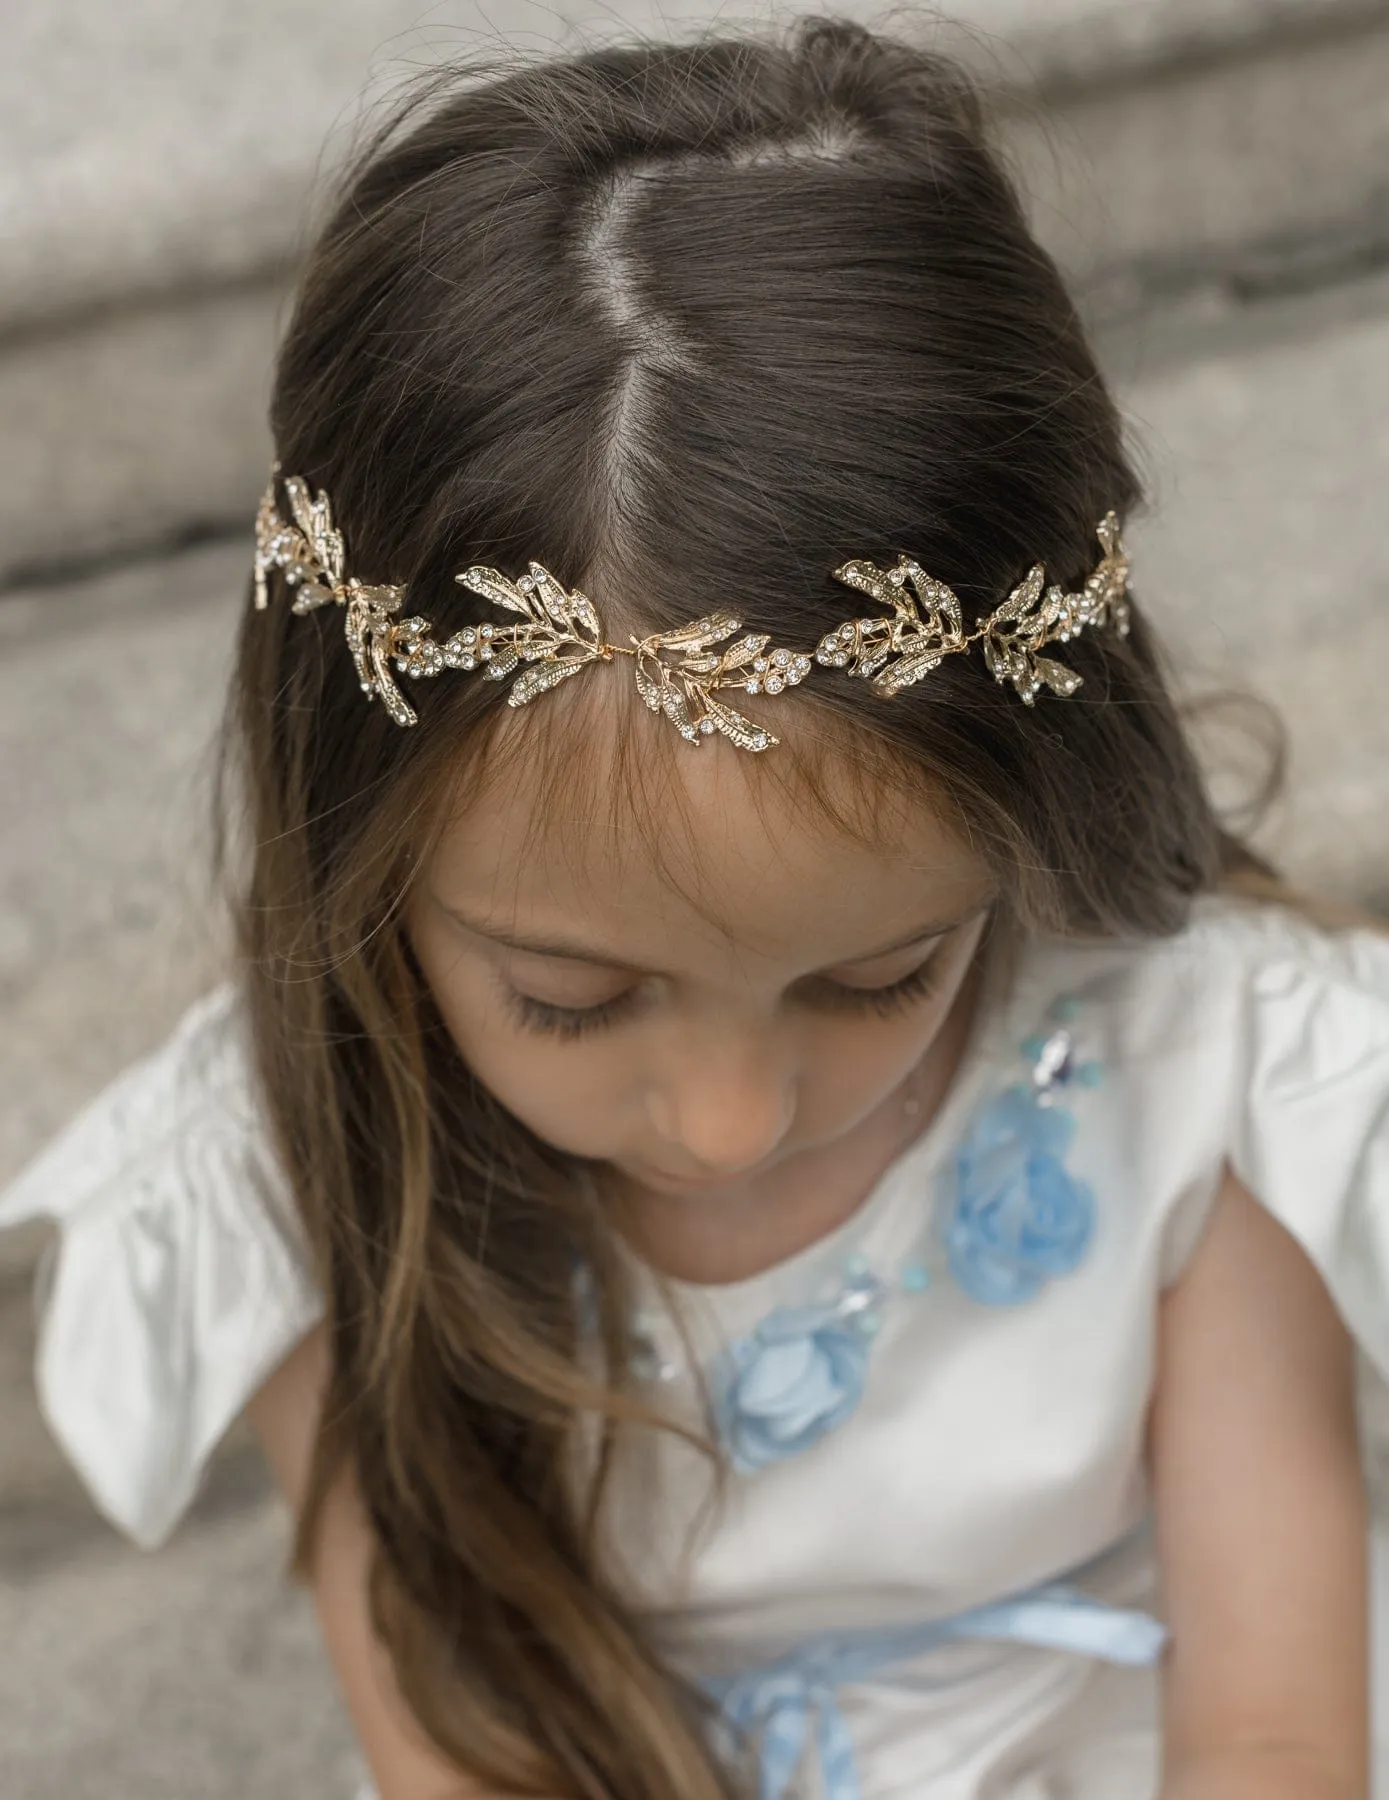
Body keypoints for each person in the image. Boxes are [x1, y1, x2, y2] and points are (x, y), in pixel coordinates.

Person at [3, 18, 1386, 1800]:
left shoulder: (1203, 1085)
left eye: (885, 975)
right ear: (369, 854)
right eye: (572, 999)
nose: (732, 1120)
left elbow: (1276, 1734)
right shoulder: (302, 1165)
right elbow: (461, 1753)